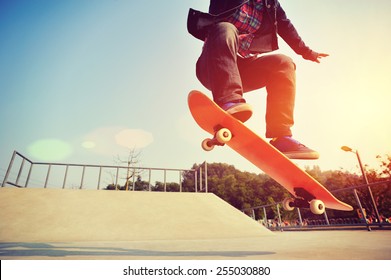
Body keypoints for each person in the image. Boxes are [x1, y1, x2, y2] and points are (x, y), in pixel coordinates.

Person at [189, 0, 328, 159]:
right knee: (226, 28)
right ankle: (229, 101)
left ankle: (281, 136)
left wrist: (307, 52)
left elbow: (286, 26)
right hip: (213, 66)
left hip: (242, 71)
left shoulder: (271, 5)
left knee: (284, 63)